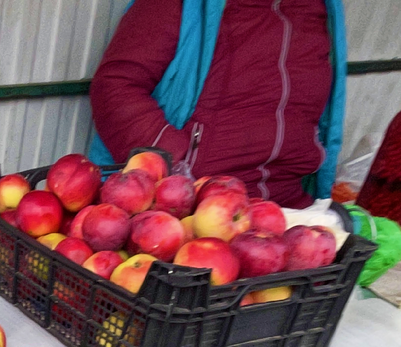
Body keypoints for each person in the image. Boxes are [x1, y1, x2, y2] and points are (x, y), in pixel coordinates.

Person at [89, 0, 346, 208]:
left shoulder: (321, 9)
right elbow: (115, 85)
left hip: (288, 211)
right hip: (190, 212)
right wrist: (176, 165)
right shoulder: (181, 4)